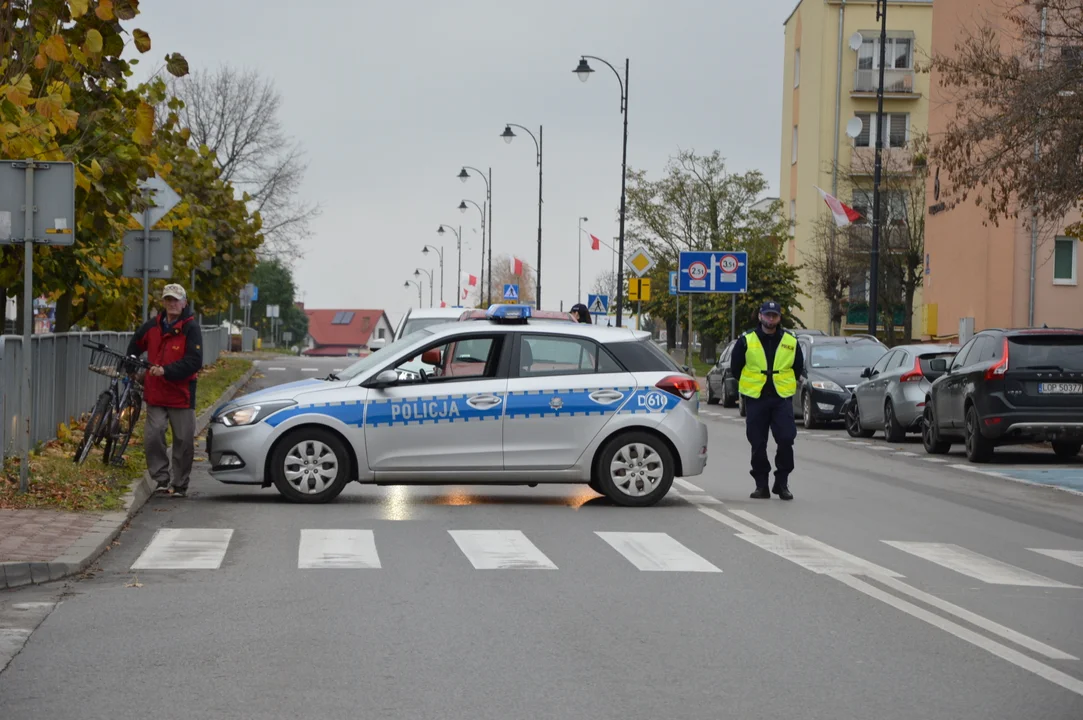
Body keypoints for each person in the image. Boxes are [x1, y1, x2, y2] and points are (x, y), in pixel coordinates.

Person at [126, 284, 204, 498]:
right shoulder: (152, 326)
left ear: (184, 303)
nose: (172, 304)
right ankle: (161, 479)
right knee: (153, 435)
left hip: (182, 394)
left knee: (184, 440)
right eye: (168, 300)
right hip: (156, 393)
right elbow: (134, 346)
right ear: (163, 303)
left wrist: (167, 370)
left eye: (176, 300)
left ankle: (179, 484)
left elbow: (194, 361)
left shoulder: (191, 328)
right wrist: (131, 368)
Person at [729, 300, 804, 501]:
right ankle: (761, 485)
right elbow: (736, 367)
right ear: (760, 316)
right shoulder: (746, 340)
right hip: (756, 398)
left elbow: (798, 368)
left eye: (774, 315)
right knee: (757, 442)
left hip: (781, 398)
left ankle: (782, 483)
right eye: (767, 315)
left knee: (787, 439)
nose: (771, 318)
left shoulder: (790, 340)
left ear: (779, 318)